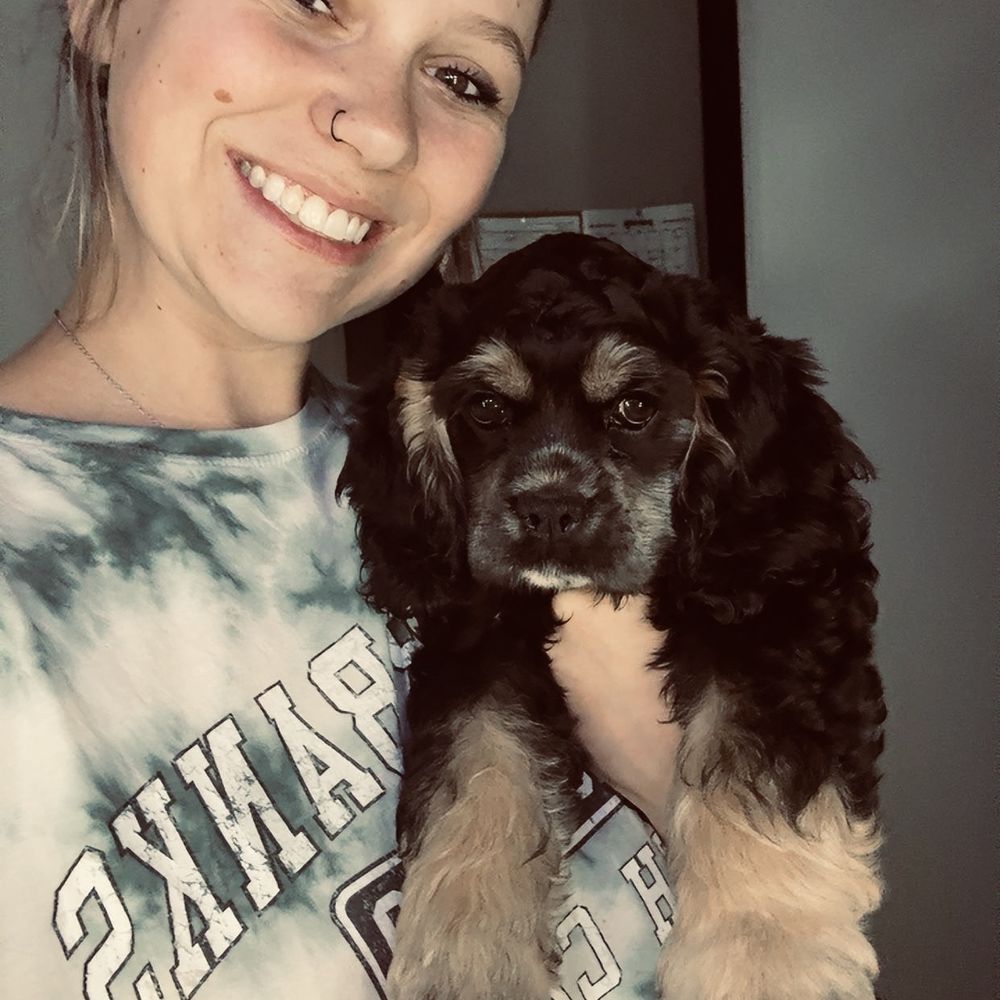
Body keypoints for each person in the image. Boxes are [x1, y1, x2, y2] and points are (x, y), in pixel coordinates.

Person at [0, 1, 680, 996]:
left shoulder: (488, 479)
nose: (385, 128)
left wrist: (679, 778)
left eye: (463, 79)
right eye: (316, 0)